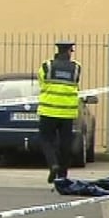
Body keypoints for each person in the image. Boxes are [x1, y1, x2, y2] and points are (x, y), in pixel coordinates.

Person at [38, 40, 82, 183]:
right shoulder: (76, 68)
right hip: (67, 113)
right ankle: (63, 175)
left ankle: (53, 164)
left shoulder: (47, 66)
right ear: (69, 51)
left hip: (48, 111)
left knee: (46, 140)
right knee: (65, 144)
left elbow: (41, 83)